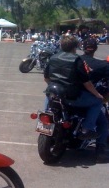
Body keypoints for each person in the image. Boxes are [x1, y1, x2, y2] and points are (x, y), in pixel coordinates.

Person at [44, 35, 108, 163]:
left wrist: (56, 84)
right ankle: (87, 130)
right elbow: (86, 83)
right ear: (75, 47)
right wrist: (97, 95)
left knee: (49, 98)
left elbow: (46, 78)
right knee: (98, 104)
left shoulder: (53, 57)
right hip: (72, 97)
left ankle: (47, 122)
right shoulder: (76, 60)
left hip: (54, 94)